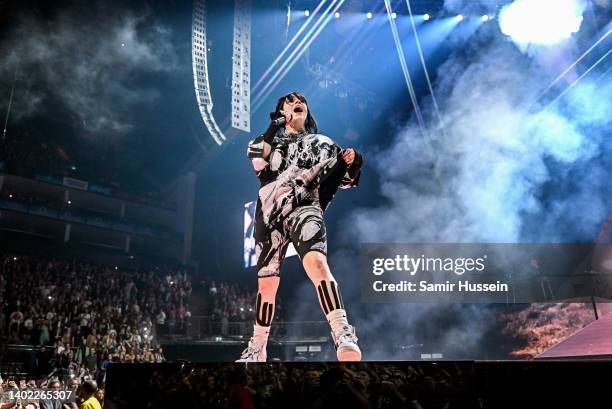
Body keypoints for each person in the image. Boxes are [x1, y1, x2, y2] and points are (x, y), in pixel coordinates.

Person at [239, 91, 364, 362]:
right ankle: (257, 346)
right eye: (288, 101)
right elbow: (257, 161)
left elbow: (344, 180)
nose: (296, 102)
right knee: (267, 285)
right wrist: (275, 125)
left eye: (300, 101)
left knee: (317, 264)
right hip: (270, 213)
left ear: (306, 110)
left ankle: (342, 331)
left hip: (306, 204)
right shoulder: (269, 140)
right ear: (282, 110)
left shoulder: (320, 143)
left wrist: (354, 163)